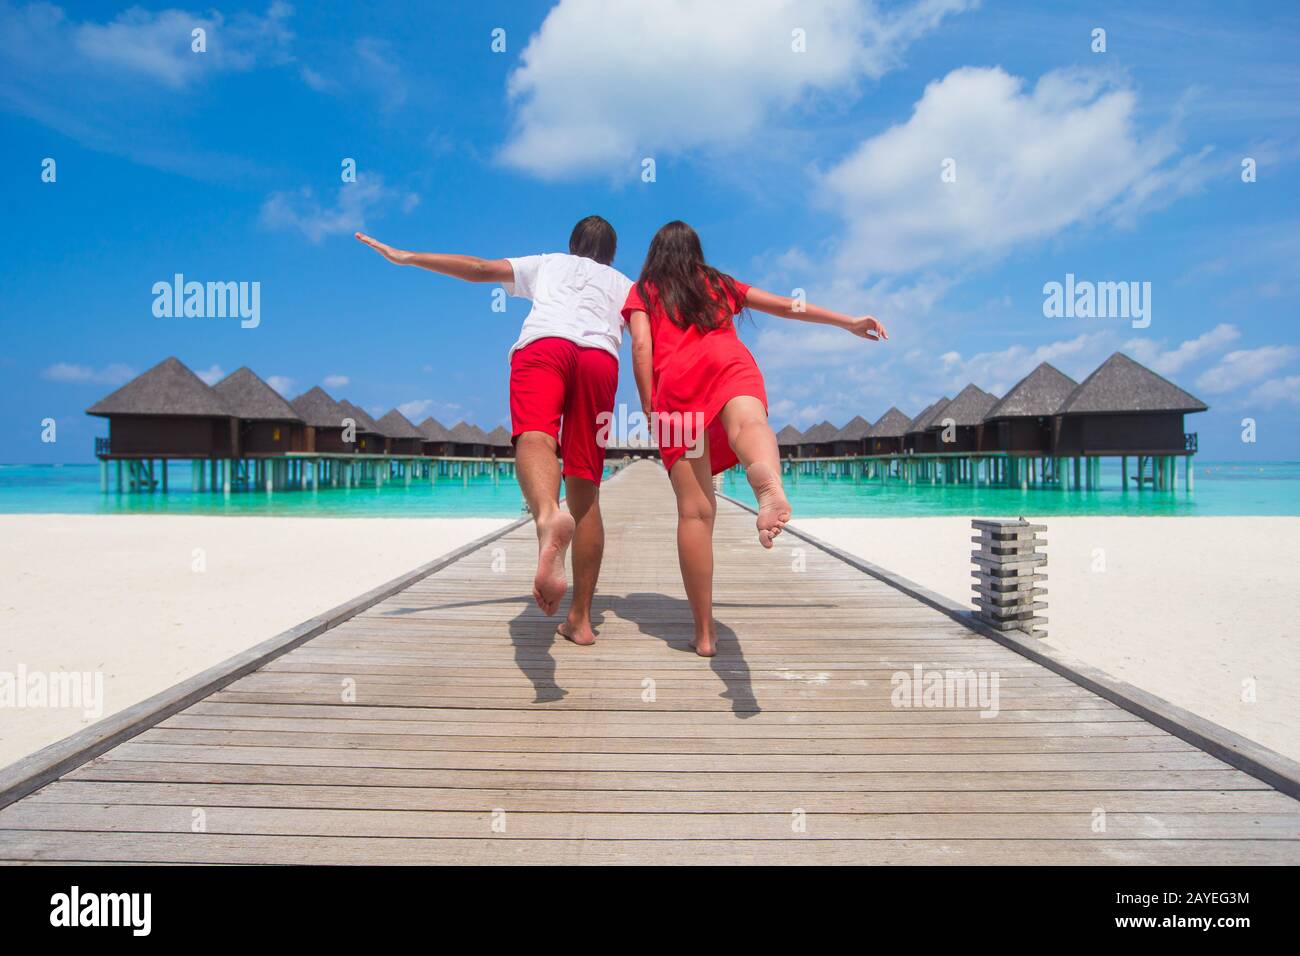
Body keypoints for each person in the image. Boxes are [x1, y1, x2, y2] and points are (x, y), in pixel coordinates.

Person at [356, 216, 632, 645]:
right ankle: (580, 619)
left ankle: (546, 517)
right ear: (612, 253)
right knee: (587, 488)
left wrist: (408, 257)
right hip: (600, 359)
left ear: (573, 243)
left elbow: (480, 269)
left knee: (536, 434)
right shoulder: (623, 284)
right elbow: (660, 332)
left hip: (545, 346)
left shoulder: (549, 264)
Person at [622, 220, 886, 657]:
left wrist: (649, 405)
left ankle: (704, 634)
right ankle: (766, 482)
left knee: (695, 515)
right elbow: (786, 306)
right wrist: (848, 321)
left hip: (677, 390)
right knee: (747, 425)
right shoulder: (718, 283)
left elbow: (640, 347)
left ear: (654, 253)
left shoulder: (644, 291)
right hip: (727, 361)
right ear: (696, 251)